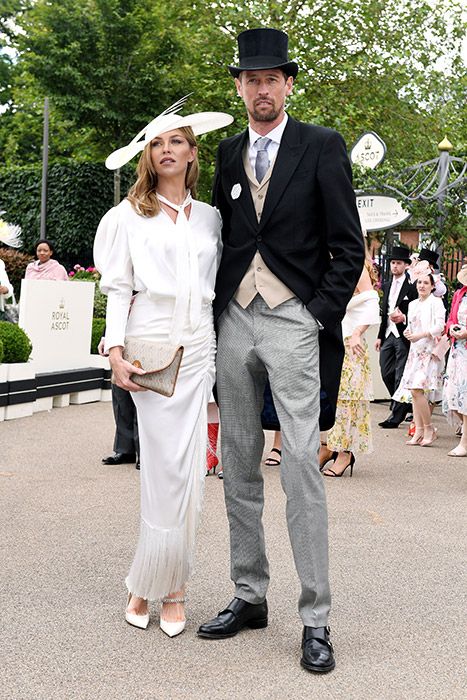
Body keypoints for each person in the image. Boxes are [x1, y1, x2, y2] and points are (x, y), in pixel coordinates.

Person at [197, 28, 365, 674]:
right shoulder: (226, 151)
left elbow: (348, 245)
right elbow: (220, 238)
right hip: (233, 319)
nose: (261, 88)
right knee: (237, 462)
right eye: (250, 78)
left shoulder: (321, 146)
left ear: (288, 84)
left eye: (272, 78)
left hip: (293, 319)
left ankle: (315, 616)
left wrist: (313, 314)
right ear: (238, 86)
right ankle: (249, 594)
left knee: (297, 462)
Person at [93, 99, 233, 637]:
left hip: (199, 348)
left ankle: (169, 586)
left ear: (193, 153)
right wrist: (114, 352)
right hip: (150, 350)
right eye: (157, 143)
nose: (167, 149)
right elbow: (119, 289)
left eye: (177, 141)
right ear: (147, 157)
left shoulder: (212, 218)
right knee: (161, 468)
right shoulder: (126, 217)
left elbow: (219, 289)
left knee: (192, 470)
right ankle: (149, 582)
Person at [320, 240, 380, 477]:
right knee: (326, 396)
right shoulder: (327, 264)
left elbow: (371, 301)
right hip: (329, 340)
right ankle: (327, 447)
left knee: (345, 400)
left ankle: (344, 453)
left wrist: (357, 333)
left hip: (349, 344)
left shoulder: (356, 266)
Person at [393, 273, 445, 446]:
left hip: (429, 351)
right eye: (420, 282)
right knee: (414, 392)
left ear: (432, 286)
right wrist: (408, 332)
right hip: (415, 351)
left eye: (426, 283)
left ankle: (429, 428)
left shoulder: (436, 302)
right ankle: (419, 430)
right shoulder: (413, 304)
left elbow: (439, 326)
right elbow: (411, 326)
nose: (422, 285)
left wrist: (420, 335)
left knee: (418, 389)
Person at [375, 246, 418, 428]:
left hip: (403, 334)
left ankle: (396, 416)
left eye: (398, 263)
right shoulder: (385, 286)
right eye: (393, 263)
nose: (394, 266)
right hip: (387, 334)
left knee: (400, 375)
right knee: (386, 372)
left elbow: (417, 311)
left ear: (406, 265)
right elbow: (384, 313)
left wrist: (404, 318)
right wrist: (379, 336)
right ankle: (402, 401)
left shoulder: (412, 287)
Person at [97, 336, 140, 470]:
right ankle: (125, 449)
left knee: (142, 396)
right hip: (120, 340)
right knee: (121, 398)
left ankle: (144, 452)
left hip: (145, 332)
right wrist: (106, 337)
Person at [442, 264, 467, 457]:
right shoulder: (460, 293)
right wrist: (451, 328)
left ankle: (464, 443)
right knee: (452, 394)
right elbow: (450, 318)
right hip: (457, 350)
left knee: (465, 395)